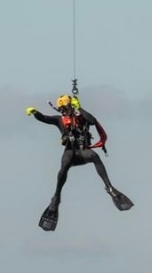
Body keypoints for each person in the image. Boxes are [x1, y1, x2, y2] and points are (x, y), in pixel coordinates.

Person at [26, 94, 133, 232]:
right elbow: (45, 118)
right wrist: (35, 113)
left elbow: (93, 121)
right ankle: (56, 197)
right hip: (70, 151)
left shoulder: (82, 117)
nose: (64, 111)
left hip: (83, 151)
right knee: (64, 166)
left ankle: (110, 188)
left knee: (94, 156)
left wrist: (79, 107)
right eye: (62, 109)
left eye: (66, 107)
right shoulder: (60, 120)